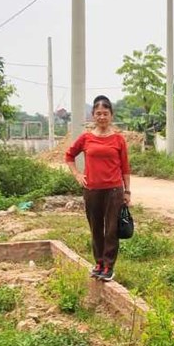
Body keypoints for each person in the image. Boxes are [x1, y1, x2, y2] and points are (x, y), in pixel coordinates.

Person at [65, 95, 131, 282]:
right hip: (92, 190)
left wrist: (127, 191)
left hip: (114, 190)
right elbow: (69, 156)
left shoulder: (118, 139)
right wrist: (77, 175)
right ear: (93, 115)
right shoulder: (86, 138)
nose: (102, 117)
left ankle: (109, 266)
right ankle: (99, 263)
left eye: (105, 113)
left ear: (111, 115)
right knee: (95, 228)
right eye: (98, 113)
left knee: (111, 229)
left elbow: (125, 167)